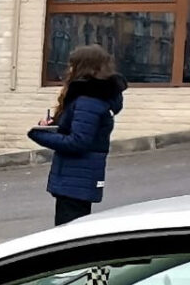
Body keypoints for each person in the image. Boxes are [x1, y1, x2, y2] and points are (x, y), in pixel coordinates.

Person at [31, 45, 125, 226]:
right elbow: (81, 129)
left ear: (83, 67)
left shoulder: (88, 100)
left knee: (68, 234)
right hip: (78, 178)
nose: (69, 69)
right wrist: (55, 127)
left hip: (76, 180)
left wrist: (39, 134)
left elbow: (78, 142)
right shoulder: (94, 96)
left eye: (72, 65)